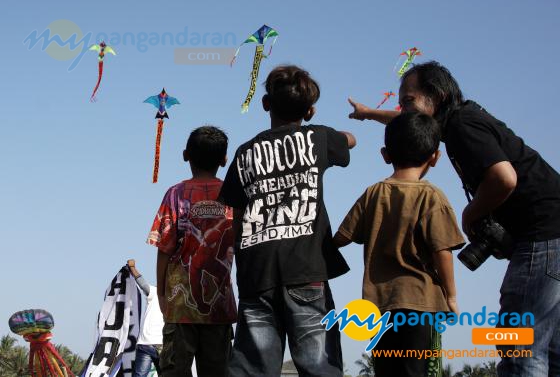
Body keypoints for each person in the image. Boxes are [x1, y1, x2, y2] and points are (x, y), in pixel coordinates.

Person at [348, 61, 560, 376]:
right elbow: (413, 123)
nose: (403, 108)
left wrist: (470, 214)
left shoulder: (462, 126)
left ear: (438, 96)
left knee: (520, 349)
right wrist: (369, 114)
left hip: (540, 235)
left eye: (409, 100)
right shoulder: (460, 119)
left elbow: (505, 178)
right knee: (551, 352)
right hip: (552, 234)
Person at [219, 65, 356, 377]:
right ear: (310, 111)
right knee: (319, 366)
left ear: (266, 104)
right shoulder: (319, 138)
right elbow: (350, 140)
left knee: (252, 368)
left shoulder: (244, 153)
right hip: (307, 271)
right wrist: (339, 135)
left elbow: (236, 219)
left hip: (257, 274)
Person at [334, 112, 465, 377]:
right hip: (421, 305)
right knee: (417, 371)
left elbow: (342, 237)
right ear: (435, 157)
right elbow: (443, 251)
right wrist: (451, 296)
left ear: (385, 154)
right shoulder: (432, 197)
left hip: (379, 306)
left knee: (386, 371)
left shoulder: (373, 193)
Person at [147, 126, 236, 377]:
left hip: (179, 306)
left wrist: (163, 295)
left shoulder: (175, 194)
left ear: (186, 155)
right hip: (220, 305)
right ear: (224, 159)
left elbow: (164, 248)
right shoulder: (233, 195)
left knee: (174, 371)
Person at [127, 259, 164, 377]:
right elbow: (142, 283)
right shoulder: (157, 292)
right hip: (152, 345)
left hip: (151, 345)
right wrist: (132, 268)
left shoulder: (155, 292)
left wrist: (132, 268)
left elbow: (142, 283)